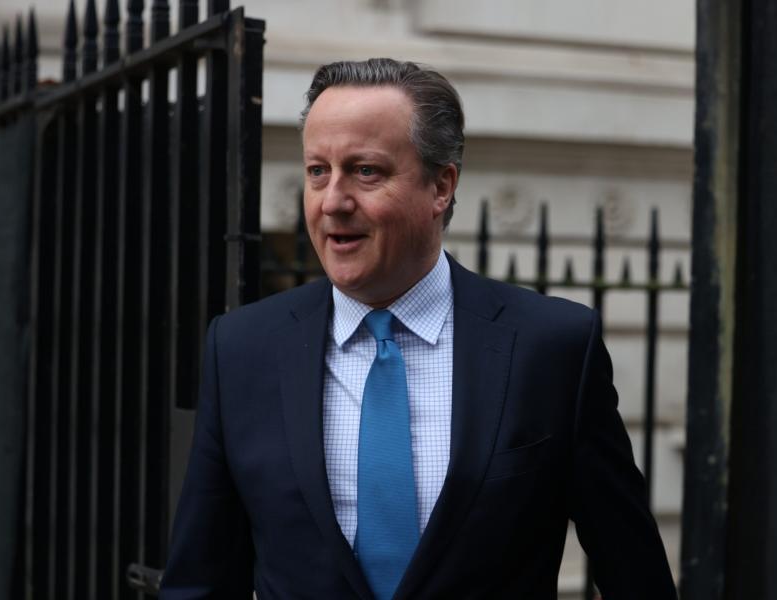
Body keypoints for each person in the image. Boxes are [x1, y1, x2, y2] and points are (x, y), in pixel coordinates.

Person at [160, 58, 677, 599]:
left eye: (366, 171)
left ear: (441, 187)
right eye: (318, 171)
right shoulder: (242, 349)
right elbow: (200, 579)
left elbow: (635, 575)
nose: (332, 201)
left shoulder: (551, 349)